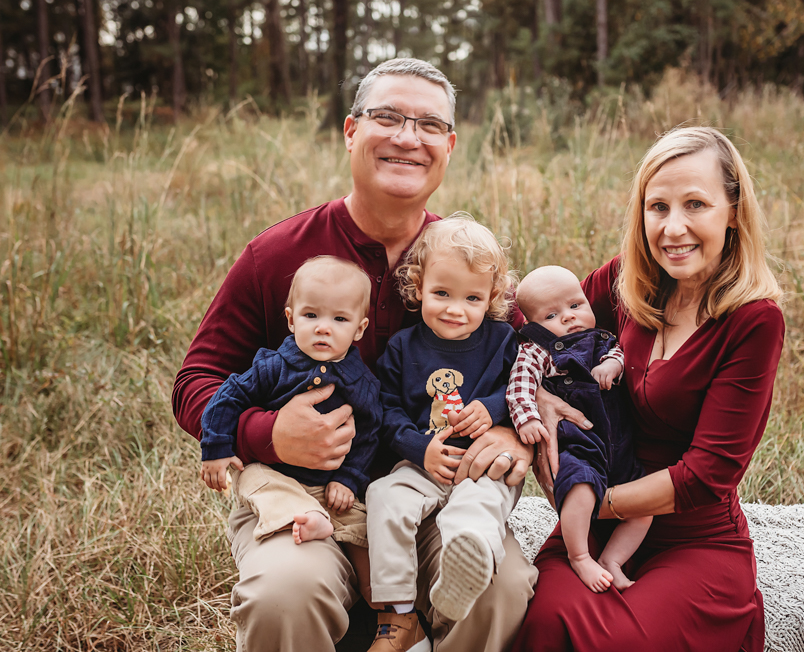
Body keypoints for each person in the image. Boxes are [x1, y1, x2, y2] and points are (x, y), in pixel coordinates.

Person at [172, 58, 536, 652]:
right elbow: (196, 380)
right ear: (350, 130)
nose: (406, 137)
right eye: (387, 117)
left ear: (448, 145)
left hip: (425, 491)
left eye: (426, 125)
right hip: (306, 497)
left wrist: (514, 431)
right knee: (283, 594)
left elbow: (531, 362)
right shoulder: (277, 254)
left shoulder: (465, 262)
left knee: (500, 586)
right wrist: (266, 434)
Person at [513, 126, 784, 652]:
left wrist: (594, 502)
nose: (673, 227)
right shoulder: (629, 282)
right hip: (595, 528)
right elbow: (526, 320)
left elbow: (709, 473)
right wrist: (538, 393)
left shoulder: (753, 320)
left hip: (693, 536)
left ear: (732, 211)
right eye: (658, 206)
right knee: (545, 624)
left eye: (696, 204)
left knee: (614, 642)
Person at [366, 214, 519, 652]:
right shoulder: (403, 347)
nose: (456, 309)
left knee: (476, 509)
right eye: (441, 294)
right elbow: (387, 410)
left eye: (472, 297)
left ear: (492, 296)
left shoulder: (503, 341)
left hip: (482, 466)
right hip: (422, 463)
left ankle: (463, 569)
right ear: (418, 287)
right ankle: (397, 617)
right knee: (384, 497)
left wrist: (492, 410)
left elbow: (523, 389)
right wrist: (419, 448)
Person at [198, 257, 379, 601]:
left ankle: (376, 600)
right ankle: (306, 518)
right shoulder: (274, 366)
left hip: (330, 484)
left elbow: (370, 434)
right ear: (291, 319)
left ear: (359, 329)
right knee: (258, 484)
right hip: (275, 472)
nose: (323, 328)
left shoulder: (362, 382)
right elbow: (227, 397)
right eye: (311, 316)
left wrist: (350, 478)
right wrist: (216, 448)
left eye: (339, 319)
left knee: (361, 526)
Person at [507, 265, 651, 593]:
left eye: (575, 305)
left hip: (619, 445)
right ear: (532, 326)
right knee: (581, 492)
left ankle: (612, 559)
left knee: (644, 509)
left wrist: (612, 365)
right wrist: (528, 417)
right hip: (578, 444)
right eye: (552, 315)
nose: (569, 317)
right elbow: (520, 382)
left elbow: (618, 353)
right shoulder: (537, 350)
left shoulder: (601, 339)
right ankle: (581, 555)